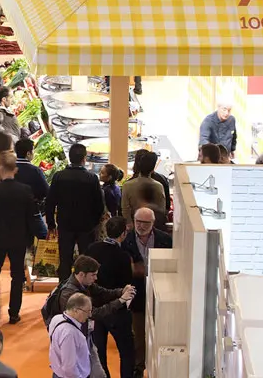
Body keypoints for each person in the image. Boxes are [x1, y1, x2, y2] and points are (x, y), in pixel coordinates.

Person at [0, 153, 39, 327]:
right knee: (17, 276)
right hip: (18, 240)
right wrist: (30, 240)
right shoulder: (25, 190)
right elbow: (31, 218)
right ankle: (14, 313)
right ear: (16, 170)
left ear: (1, 169)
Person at [44, 144, 106, 281]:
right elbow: (99, 205)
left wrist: (51, 224)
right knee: (85, 261)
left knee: (65, 260)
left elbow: (50, 202)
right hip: (86, 227)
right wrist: (93, 223)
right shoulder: (92, 178)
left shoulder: (59, 177)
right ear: (84, 159)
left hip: (65, 225)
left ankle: (64, 290)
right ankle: (84, 290)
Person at [85, 217, 136, 378]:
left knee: (99, 353)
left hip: (95, 310)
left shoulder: (92, 249)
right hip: (117, 311)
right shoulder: (122, 256)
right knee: (127, 352)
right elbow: (127, 283)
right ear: (123, 233)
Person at [124, 207, 172, 375]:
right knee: (138, 333)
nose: (141, 226)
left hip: (160, 292)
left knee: (160, 330)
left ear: (153, 223)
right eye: (138, 222)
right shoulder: (125, 241)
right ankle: (139, 366)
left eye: (146, 223)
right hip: (136, 295)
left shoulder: (166, 240)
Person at [48, 293, 94, 378]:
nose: (89, 315)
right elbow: (69, 368)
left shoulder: (56, 318)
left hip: (57, 372)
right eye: (87, 311)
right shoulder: (70, 333)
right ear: (76, 310)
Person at [121, 152, 166, 223]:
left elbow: (125, 209)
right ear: (152, 168)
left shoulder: (127, 185)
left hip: (135, 224)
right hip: (152, 224)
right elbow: (162, 209)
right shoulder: (159, 186)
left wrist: (129, 224)